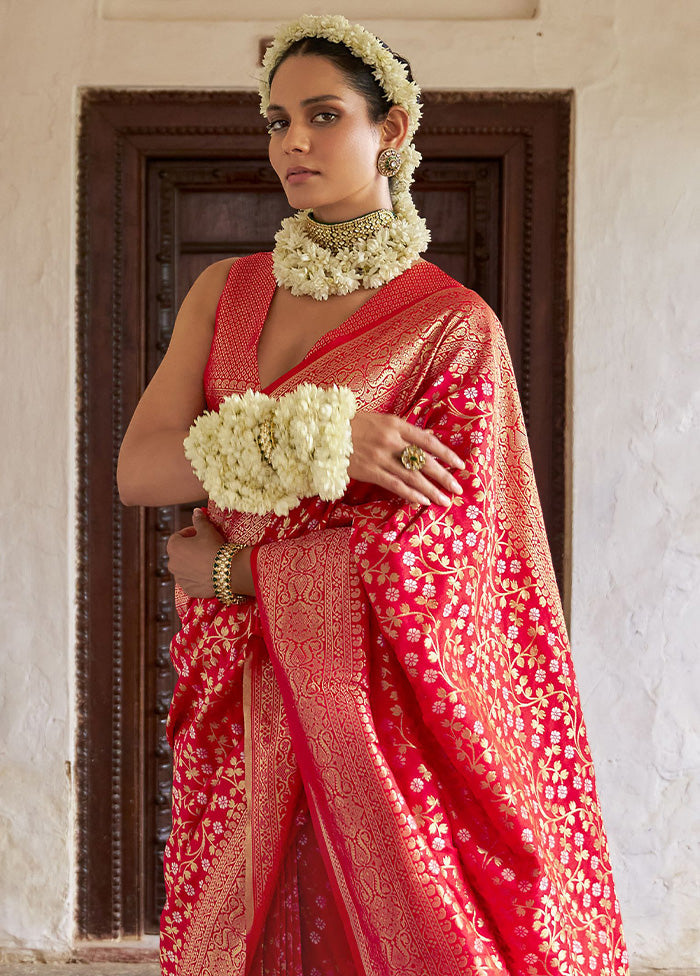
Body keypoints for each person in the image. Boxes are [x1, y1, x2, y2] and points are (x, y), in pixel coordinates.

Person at [117, 14, 629, 976]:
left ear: (392, 130)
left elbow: (444, 559)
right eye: (277, 120)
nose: (293, 143)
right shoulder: (226, 291)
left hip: (379, 706)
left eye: (323, 115)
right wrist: (318, 442)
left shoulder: (450, 326)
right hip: (241, 685)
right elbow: (140, 470)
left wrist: (235, 569)